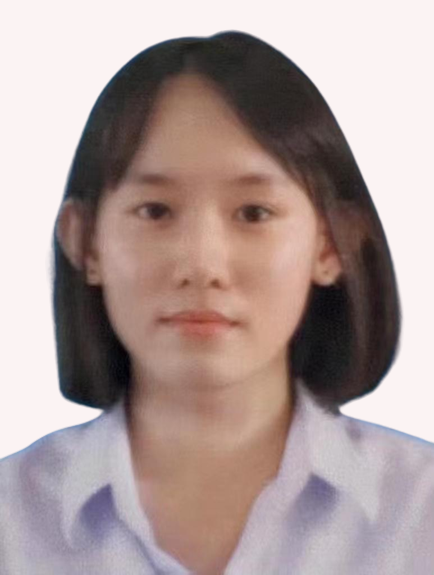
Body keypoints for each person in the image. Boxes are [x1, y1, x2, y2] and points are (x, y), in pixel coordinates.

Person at [0, 30, 433, 575]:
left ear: (330, 244)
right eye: (155, 211)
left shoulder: (419, 511)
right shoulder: (12, 519)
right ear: (85, 242)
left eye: (253, 213)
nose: (202, 265)